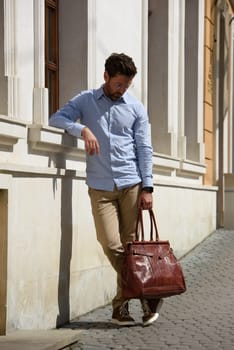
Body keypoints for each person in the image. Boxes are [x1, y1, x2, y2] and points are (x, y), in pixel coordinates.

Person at [49, 52, 163, 326]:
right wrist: (82, 130)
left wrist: (147, 187)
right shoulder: (86, 100)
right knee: (110, 243)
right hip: (99, 185)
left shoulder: (135, 108)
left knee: (131, 245)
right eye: (119, 83)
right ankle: (146, 295)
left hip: (131, 183)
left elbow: (144, 148)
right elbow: (57, 118)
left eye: (127, 85)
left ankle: (120, 309)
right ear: (106, 77)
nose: (122, 89)